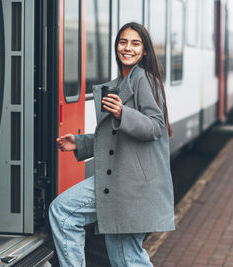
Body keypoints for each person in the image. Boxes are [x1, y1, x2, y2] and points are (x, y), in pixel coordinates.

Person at [49, 22, 174, 267]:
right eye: (123, 42)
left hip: (130, 185)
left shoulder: (143, 79)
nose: (128, 48)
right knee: (124, 258)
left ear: (145, 51)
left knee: (63, 213)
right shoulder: (123, 81)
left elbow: (156, 127)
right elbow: (118, 137)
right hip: (121, 180)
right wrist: (81, 143)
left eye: (135, 43)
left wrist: (122, 114)